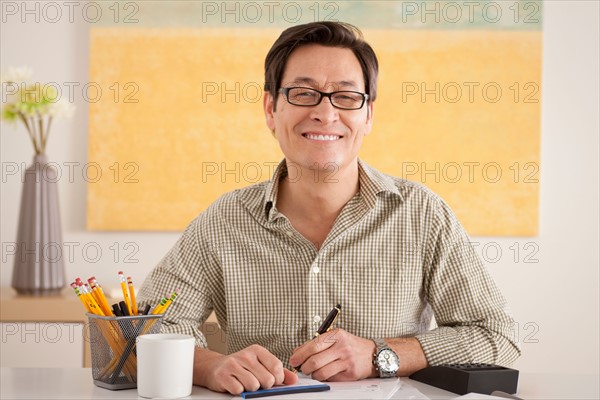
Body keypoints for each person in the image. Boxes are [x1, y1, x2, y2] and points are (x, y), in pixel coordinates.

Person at [138, 21, 520, 395]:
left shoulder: (422, 214)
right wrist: (212, 365)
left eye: (346, 96)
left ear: (367, 114)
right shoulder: (225, 219)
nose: (325, 113)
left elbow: (496, 335)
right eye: (303, 93)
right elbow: (146, 329)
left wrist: (381, 354)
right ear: (271, 108)